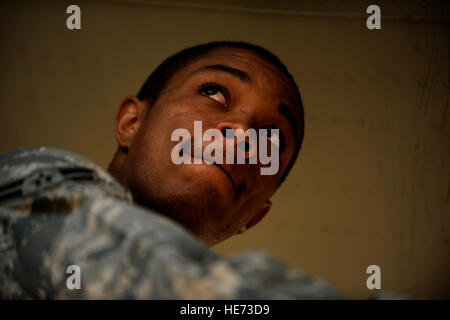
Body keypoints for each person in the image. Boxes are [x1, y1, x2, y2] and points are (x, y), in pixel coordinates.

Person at [0, 41, 344, 299]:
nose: (242, 133)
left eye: (272, 137)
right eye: (213, 92)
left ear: (252, 217)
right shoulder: (32, 178)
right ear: (131, 122)